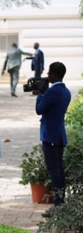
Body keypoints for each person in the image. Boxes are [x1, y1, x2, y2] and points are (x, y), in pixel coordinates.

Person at [35, 62, 71, 210]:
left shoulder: (51, 92)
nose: (47, 76)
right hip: (59, 135)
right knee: (59, 170)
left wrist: (40, 94)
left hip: (50, 136)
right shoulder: (66, 91)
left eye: (49, 73)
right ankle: (60, 203)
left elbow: (39, 109)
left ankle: (58, 205)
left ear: (54, 75)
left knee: (54, 172)